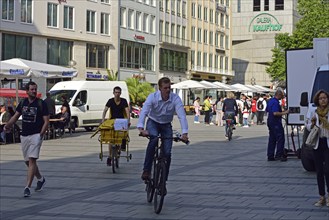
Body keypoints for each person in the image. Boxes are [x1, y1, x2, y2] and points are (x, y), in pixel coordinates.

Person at [137, 77, 189, 185]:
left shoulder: (175, 99)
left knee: (167, 153)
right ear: (160, 88)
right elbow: (144, 112)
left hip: (166, 124)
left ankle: (163, 181)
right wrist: (141, 128)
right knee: (154, 139)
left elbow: (182, 116)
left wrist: (184, 133)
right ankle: (146, 170)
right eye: (165, 88)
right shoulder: (153, 97)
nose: (168, 90)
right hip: (153, 122)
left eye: (169, 87)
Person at [4, 81, 49, 197]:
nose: (34, 91)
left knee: (32, 160)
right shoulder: (23, 102)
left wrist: (41, 134)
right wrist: (7, 125)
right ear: (27, 91)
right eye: (32, 89)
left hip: (36, 135)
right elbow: (16, 116)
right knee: (27, 161)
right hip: (24, 135)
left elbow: (46, 121)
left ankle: (27, 187)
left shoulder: (41, 103)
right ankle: (40, 178)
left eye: (35, 89)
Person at [305, 90, 329, 207]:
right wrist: (312, 124)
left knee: (328, 170)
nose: (323, 100)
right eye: (321, 98)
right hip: (318, 144)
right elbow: (308, 125)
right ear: (317, 100)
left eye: (325, 98)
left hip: (328, 144)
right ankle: (322, 196)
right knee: (319, 171)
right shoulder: (314, 112)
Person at [102, 86, 130, 166]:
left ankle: (121, 148)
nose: (117, 94)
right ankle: (110, 156)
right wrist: (103, 120)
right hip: (112, 121)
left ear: (120, 93)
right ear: (113, 93)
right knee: (111, 139)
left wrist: (128, 121)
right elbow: (105, 110)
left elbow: (127, 111)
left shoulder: (123, 101)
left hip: (121, 121)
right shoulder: (110, 101)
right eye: (116, 92)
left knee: (122, 137)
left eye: (118, 92)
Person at [266, 88, 289, 162]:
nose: (283, 97)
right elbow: (275, 113)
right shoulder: (275, 102)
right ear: (278, 94)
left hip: (270, 121)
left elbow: (268, 110)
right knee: (280, 138)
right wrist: (285, 112)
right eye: (282, 95)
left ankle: (270, 156)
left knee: (272, 139)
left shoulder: (270, 101)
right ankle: (279, 155)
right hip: (275, 122)